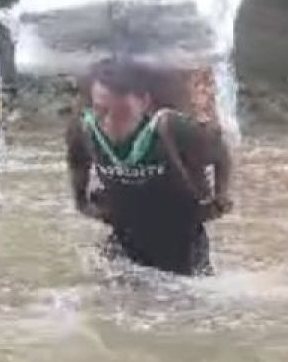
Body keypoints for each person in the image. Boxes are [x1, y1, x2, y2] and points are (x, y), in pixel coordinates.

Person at [66, 58, 234, 277]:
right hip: (124, 238)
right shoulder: (86, 128)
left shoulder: (169, 127)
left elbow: (219, 152)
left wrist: (220, 195)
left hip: (181, 242)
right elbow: (77, 161)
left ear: (144, 102)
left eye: (121, 112)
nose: (108, 122)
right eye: (101, 110)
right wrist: (81, 201)